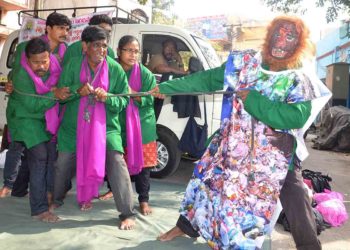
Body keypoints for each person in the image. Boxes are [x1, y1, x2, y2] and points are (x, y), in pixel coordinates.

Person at [152, 16, 331, 249]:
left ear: (299, 44)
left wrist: (255, 101)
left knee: (295, 198)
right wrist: (166, 88)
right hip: (233, 143)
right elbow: (207, 80)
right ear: (269, 36)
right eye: (278, 33)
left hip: (276, 154)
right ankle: (186, 226)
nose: (281, 41)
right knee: (206, 180)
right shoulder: (245, 62)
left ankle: (309, 246)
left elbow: (296, 116)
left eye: (290, 37)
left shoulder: (299, 78)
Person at [52, 26, 136, 230]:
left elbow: (123, 103)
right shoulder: (72, 65)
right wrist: (76, 91)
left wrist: (107, 99)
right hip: (74, 128)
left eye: (104, 46)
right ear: (85, 46)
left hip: (106, 129)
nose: (101, 50)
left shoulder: (114, 69)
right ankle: (56, 198)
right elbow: (61, 96)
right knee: (63, 163)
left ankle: (126, 213)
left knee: (117, 162)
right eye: (96, 45)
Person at [0, 12, 71, 199]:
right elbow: (16, 74)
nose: (65, 32)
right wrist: (10, 82)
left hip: (50, 110)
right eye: (61, 28)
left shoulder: (65, 52)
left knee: (41, 153)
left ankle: (22, 190)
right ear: (48, 28)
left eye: (67, 29)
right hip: (25, 109)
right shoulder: (26, 47)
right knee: (20, 148)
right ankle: (11, 185)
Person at [9, 38, 70, 222]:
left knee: (49, 157)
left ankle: (36, 194)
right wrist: (54, 94)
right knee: (40, 158)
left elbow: (63, 90)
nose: (41, 66)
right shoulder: (20, 75)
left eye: (45, 60)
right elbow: (32, 105)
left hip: (44, 121)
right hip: (24, 119)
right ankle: (39, 210)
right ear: (27, 60)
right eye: (36, 62)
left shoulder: (55, 68)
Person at [99, 35, 157, 216]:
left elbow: (150, 98)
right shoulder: (110, 69)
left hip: (142, 126)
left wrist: (130, 92)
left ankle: (143, 200)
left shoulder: (145, 73)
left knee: (144, 167)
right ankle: (113, 189)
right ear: (118, 51)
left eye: (136, 51)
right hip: (116, 122)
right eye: (129, 50)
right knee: (116, 160)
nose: (133, 55)